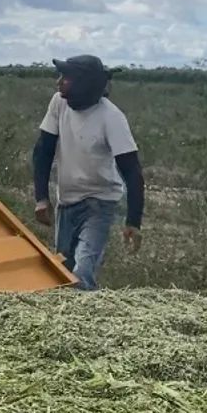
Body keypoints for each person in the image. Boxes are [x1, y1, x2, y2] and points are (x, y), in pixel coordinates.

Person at [32, 54, 144, 290]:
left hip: (99, 202)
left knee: (82, 271)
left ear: (84, 84)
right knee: (62, 271)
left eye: (66, 78)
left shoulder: (111, 117)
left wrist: (133, 221)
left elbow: (132, 171)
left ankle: (80, 323)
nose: (59, 82)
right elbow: (43, 151)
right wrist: (41, 198)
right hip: (67, 201)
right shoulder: (59, 102)